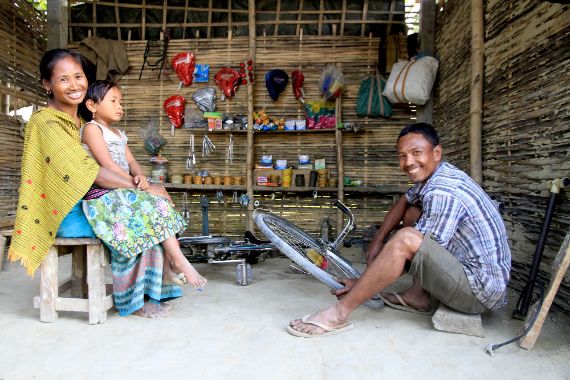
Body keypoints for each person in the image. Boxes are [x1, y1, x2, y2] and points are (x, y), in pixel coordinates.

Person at [287, 123, 512, 337]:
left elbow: (412, 253)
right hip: (472, 275)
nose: (409, 162)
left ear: (436, 152)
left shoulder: (443, 192)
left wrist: (363, 281)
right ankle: (418, 296)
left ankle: (338, 314)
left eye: (416, 153)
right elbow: (406, 200)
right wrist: (378, 239)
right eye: (402, 156)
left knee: (405, 240)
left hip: (478, 294)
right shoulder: (437, 174)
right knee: (413, 212)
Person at [9, 49, 181, 318]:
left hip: (92, 201)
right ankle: (132, 301)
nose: (75, 85)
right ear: (47, 84)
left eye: (79, 76)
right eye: (63, 79)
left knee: (146, 209)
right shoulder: (47, 122)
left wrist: (144, 190)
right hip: (66, 212)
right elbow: (92, 173)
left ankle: (153, 290)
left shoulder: (81, 122)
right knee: (135, 219)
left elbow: (108, 169)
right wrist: (142, 188)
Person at [80, 79, 206, 290]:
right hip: (103, 192)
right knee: (154, 201)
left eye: (120, 101)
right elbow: (108, 165)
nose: (119, 106)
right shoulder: (92, 129)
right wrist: (139, 186)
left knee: (162, 200)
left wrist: (141, 177)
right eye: (113, 101)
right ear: (92, 106)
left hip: (124, 187)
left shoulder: (119, 134)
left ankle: (170, 264)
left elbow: (131, 162)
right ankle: (179, 261)